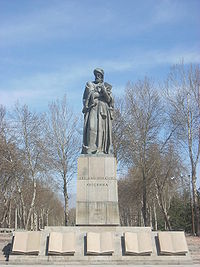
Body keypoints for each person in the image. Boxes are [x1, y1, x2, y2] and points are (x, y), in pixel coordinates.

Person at [81, 68, 114, 154]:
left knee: (101, 130)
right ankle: (90, 149)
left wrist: (103, 91)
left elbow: (109, 99)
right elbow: (88, 96)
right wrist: (99, 94)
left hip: (103, 110)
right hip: (93, 108)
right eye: (96, 74)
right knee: (91, 127)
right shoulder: (90, 84)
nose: (97, 76)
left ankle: (100, 149)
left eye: (99, 75)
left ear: (102, 76)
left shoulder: (106, 86)